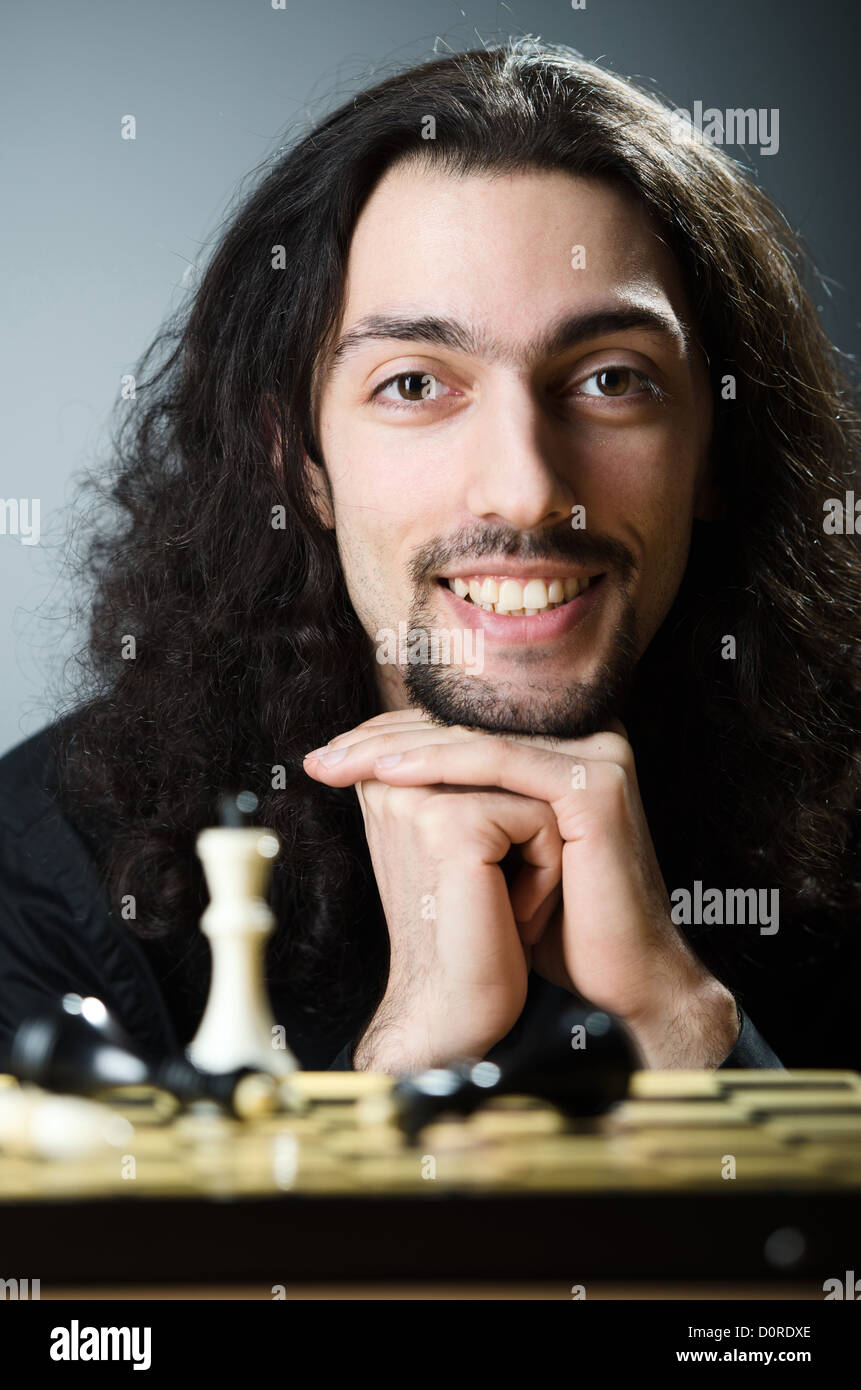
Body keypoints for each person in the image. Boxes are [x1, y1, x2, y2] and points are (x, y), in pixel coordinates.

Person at [0, 39, 857, 1075]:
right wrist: (405, 1070)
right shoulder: (48, 875)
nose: (526, 488)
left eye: (612, 380)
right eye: (415, 384)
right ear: (302, 462)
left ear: (719, 446)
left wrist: (687, 1034)